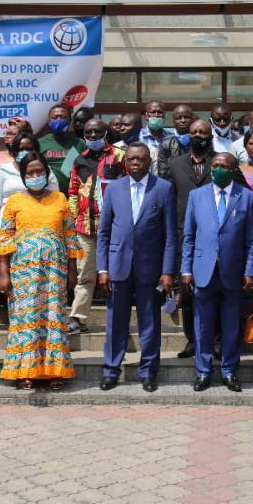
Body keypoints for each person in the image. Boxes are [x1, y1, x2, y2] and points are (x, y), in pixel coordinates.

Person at [0, 152, 81, 389]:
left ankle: (55, 371)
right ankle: (25, 371)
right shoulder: (14, 202)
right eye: (30, 173)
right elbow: (5, 240)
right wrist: (3, 274)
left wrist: (72, 272)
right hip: (23, 273)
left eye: (39, 172)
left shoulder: (60, 199)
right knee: (26, 319)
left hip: (55, 272)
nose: (35, 176)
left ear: (46, 173)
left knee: (53, 317)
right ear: (23, 177)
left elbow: (71, 238)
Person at [97, 142, 176, 393]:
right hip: (117, 266)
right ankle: (111, 370)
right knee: (115, 323)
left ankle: (148, 372)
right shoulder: (114, 189)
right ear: (125, 161)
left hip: (150, 269)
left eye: (140, 159)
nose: (135, 163)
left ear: (148, 162)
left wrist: (167, 271)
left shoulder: (163, 189)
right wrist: (102, 269)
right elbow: (104, 233)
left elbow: (170, 235)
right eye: (130, 159)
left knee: (149, 322)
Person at [181, 152, 253, 392]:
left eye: (223, 166)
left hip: (233, 272)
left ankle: (229, 370)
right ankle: (203, 372)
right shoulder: (196, 196)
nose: (218, 169)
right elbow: (189, 237)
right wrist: (185, 269)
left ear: (233, 169)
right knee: (202, 325)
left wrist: (250, 270)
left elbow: (252, 241)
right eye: (214, 165)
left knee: (231, 324)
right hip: (203, 271)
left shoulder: (246, 197)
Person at [67, 119, 126, 334]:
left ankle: (119, 321)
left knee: (117, 275)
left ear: (106, 133)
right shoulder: (78, 160)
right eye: (88, 132)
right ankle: (78, 318)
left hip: (114, 228)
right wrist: (75, 218)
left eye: (97, 132)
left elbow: (128, 187)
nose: (92, 136)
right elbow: (73, 191)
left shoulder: (120, 156)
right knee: (85, 275)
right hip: (85, 229)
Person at [166, 119, 216, 358]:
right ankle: (192, 340)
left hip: (213, 238)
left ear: (211, 136)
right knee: (186, 292)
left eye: (202, 132)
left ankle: (215, 340)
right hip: (182, 235)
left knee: (214, 291)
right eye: (194, 132)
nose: (198, 136)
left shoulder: (221, 162)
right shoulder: (175, 164)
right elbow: (168, 200)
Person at [0, 132, 59, 245]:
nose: (24, 152)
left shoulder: (45, 170)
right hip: (9, 227)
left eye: (28, 148)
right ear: (14, 151)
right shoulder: (3, 171)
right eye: (20, 149)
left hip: (40, 226)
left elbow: (55, 198)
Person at [38, 104, 86, 196]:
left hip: (74, 196)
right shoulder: (40, 143)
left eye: (63, 117)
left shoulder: (79, 143)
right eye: (55, 118)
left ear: (69, 120)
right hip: (48, 196)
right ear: (49, 121)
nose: (59, 120)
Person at [157, 104, 195, 179]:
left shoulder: (201, 140)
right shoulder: (166, 143)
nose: (183, 120)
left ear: (192, 119)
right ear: (173, 121)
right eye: (179, 118)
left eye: (186, 117)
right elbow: (163, 172)